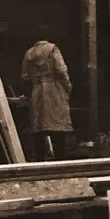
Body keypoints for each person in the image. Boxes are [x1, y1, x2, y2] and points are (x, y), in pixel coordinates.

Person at [21, 25, 73, 161]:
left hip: (37, 90)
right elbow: (61, 70)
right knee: (58, 125)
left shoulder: (29, 53)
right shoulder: (53, 49)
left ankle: (40, 159)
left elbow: (25, 76)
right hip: (54, 90)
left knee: (38, 126)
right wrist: (68, 87)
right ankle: (61, 157)